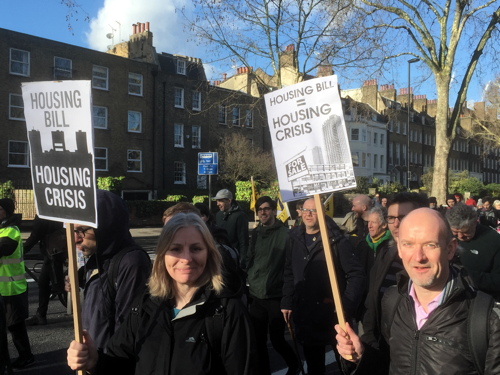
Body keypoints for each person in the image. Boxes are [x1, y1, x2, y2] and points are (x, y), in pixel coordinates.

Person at [67, 213, 256, 374]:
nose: (186, 258)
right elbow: (120, 364)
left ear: (209, 254)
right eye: (175, 249)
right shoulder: (144, 304)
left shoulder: (228, 312)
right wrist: (95, 361)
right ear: (162, 254)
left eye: (196, 248)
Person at [335, 208, 500, 374]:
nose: (418, 257)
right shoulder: (393, 300)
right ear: (399, 248)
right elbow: (389, 364)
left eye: (430, 245)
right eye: (408, 244)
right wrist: (362, 355)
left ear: (450, 249)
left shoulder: (487, 318)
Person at [281, 198, 365, 375]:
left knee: (347, 366)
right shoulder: (294, 238)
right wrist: (287, 301)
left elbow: (356, 274)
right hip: (306, 314)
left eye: (314, 210)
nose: (308, 214)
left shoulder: (337, 241)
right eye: (305, 209)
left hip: (334, 316)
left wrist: (346, 305)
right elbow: (289, 271)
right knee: (314, 367)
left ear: (323, 213)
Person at [68, 190, 151, 352]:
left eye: (82, 231)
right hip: (94, 359)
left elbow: (127, 330)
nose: (75, 238)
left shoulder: (132, 262)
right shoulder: (98, 257)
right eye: (72, 230)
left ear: (106, 225)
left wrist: (102, 364)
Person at [360, 192, 428, 350]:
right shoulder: (386, 254)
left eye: (403, 217)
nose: (396, 224)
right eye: (391, 218)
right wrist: (369, 338)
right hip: (384, 344)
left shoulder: (435, 261)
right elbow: (373, 297)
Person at [246, 196, 299, 375]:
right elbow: (250, 258)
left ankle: (295, 364)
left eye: (267, 209)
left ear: (274, 211)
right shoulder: (256, 233)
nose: (262, 212)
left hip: (275, 295)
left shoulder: (286, 235)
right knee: (258, 341)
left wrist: (288, 297)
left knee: (277, 340)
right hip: (256, 294)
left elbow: (292, 266)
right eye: (259, 209)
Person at [0, 198, 34, 368]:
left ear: (6, 211)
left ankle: (26, 356)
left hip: (13, 288)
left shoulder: (11, 231)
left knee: (15, 326)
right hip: (2, 289)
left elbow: (3, 248)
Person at [446, 203, 500, 299]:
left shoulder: (494, 241)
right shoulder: (446, 235)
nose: (460, 236)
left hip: (479, 299)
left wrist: (467, 277)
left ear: (475, 222)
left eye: (466, 232)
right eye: (455, 232)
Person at [24, 215, 67, 326]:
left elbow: (35, 235)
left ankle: (41, 315)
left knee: (45, 283)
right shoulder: (55, 209)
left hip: (51, 251)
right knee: (45, 281)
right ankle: (41, 314)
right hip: (60, 248)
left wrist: (23, 250)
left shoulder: (42, 214)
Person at [213, 189, 249, 268]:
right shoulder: (218, 215)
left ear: (229, 201)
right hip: (220, 257)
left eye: (220, 201)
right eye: (217, 201)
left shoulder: (240, 216)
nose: (217, 204)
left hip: (234, 258)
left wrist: (242, 260)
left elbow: (243, 240)